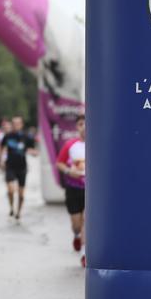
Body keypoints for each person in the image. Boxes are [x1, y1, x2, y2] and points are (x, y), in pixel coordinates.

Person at [56, 114, 86, 267]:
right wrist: (69, 171)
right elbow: (59, 163)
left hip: (90, 190)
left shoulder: (97, 144)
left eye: (87, 123)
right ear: (77, 127)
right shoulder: (70, 145)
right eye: (81, 124)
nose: (85, 127)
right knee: (76, 224)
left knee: (86, 221)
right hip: (73, 188)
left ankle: (84, 254)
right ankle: (76, 234)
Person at [0, 116, 37, 220]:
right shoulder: (8, 136)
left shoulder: (27, 137)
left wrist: (32, 152)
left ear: (21, 124)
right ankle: (11, 207)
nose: (16, 125)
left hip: (22, 167)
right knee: (11, 190)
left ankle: (19, 212)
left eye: (18, 123)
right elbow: (3, 148)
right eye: (14, 123)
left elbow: (34, 151)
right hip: (10, 166)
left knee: (21, 195)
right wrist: (2, 160)